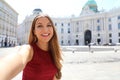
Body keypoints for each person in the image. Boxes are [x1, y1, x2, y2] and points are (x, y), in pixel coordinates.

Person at [0, 13, 62, 80]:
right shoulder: (29, 50)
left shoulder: (54, 52)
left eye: (49, 25)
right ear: (34, 31)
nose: (45, 29)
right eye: (40, 26)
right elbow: (19, 57)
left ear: (53, 29)